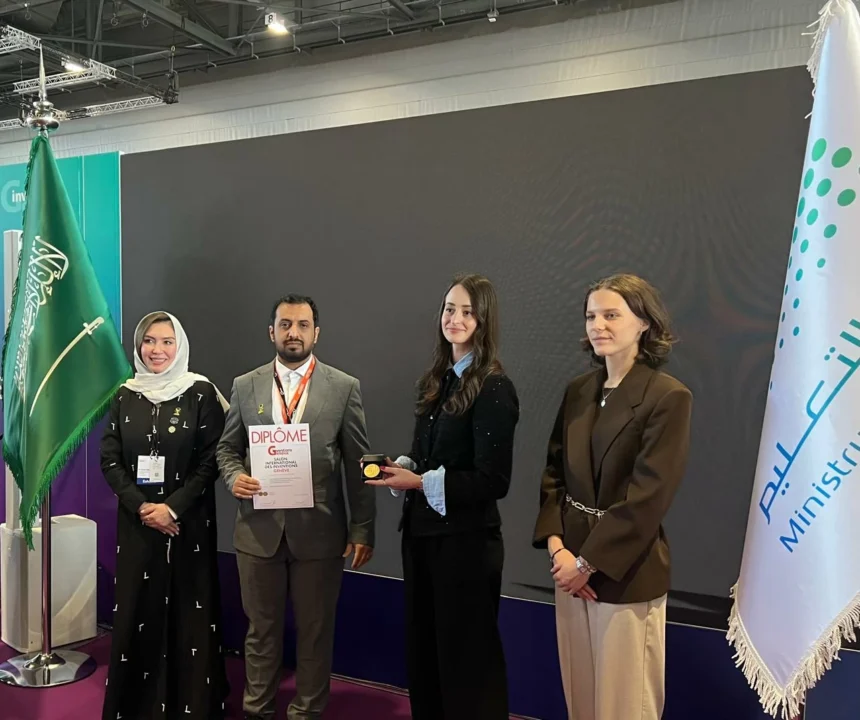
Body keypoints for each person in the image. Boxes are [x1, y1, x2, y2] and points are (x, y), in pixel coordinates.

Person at [533, 273, 693, 720]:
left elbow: (648, 497)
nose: (598, 325)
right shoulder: (578, 391)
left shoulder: (668, 397)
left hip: (625, 572)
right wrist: (559, 550)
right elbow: (553, 474)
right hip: (569, 568)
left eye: (611, 315)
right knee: (581, 699)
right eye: (591, 316)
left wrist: (587, 564)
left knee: (624, 705)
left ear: (644, 323)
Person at [216, 294, 375, 720]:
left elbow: (359, 464)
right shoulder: (245, 385)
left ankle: (306, 712)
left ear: (316, 333)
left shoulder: (344, 388)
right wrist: (234, 477)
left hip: (320, 534)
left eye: (303, 325)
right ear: (271, 332)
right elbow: (227, 449)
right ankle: (257, 710)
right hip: (258, 533)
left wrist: (363, 528)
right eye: (285, 324)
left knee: (315, 634)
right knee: (260, 633)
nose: (293, 333)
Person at [367, 274, 519, 720]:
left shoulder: (493, 386)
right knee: (426, 654)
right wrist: (402, 469)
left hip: (466, 546)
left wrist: (419, 483)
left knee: (466, 663)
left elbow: (493, 481)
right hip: (422, 539)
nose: (455, 319)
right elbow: (426, 456)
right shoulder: (436, 381)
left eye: (468, 311)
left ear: (484, 319)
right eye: (450, 309)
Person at [101, 311, 229, 720]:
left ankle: (192, 705)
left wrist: (172, 507)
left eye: (167, 341)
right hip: (137, 525)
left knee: (190, 613)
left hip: (187, 523)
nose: (157, 350)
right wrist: (143, 507)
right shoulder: (124, 394)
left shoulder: (201, 392)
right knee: (139, 609)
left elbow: (212, 460)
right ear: (139, 346)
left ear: (180, 346)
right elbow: (109, 460)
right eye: (149, 341)